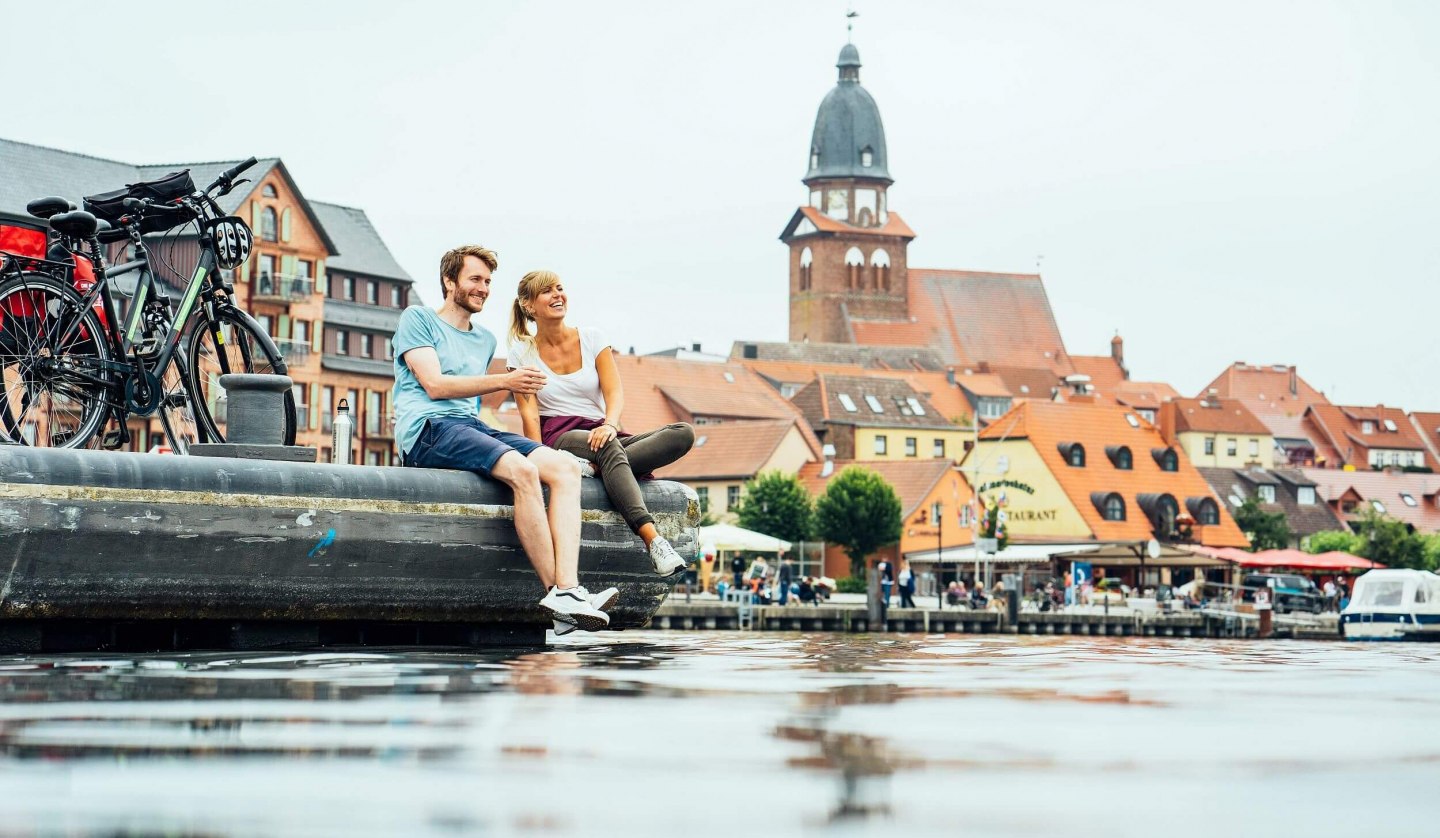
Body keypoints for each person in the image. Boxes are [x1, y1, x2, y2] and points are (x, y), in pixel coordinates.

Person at [393, 246, 610, 635]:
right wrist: (506, 381)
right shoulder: (418, 318)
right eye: (475, 279)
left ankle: (571, 590)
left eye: (488, 282)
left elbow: (470, 405)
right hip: (427, 429)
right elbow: (436, 385)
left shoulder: (485, 339)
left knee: (563, 468)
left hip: (469, 426)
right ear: (449, 282)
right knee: (523, 471)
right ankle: (556, 593)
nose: (483, 288)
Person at [507, 270, 694, 577]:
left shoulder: (593, 338)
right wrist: (543, 458)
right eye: (547, 291)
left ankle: (593, 468)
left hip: (603, 432)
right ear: (529, 305)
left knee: (682, 433)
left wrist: (609, 423)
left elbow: (614, 391)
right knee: (609, 447)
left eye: (560, 288)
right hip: (561, 437)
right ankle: (654, 540)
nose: (557, 295)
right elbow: (529, 416)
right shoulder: (521, 352)